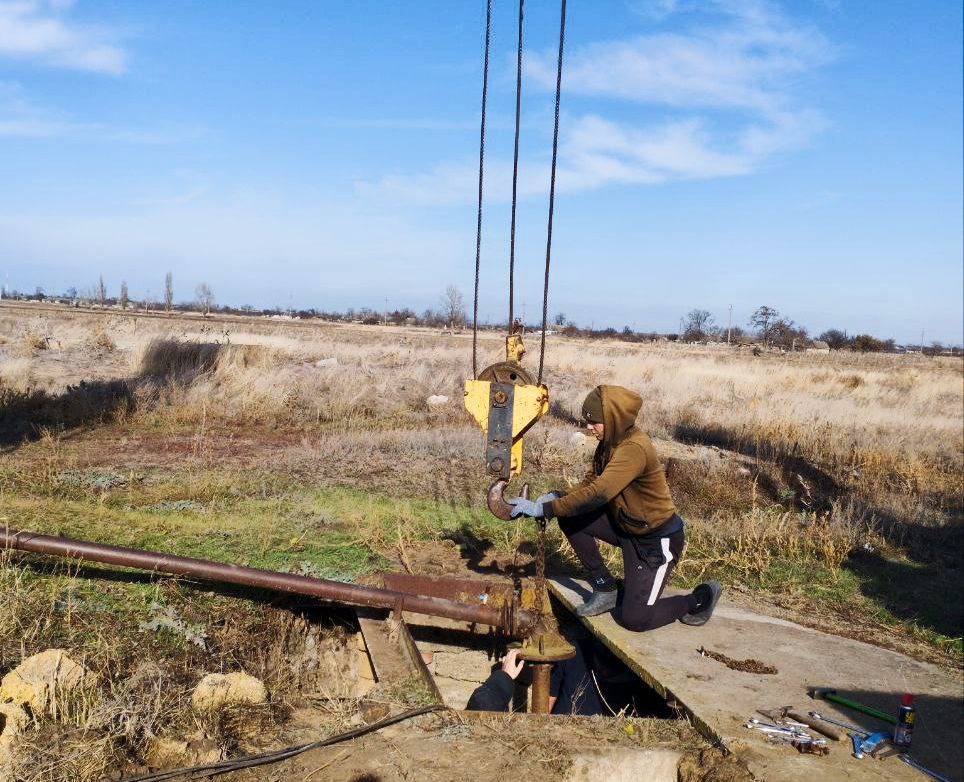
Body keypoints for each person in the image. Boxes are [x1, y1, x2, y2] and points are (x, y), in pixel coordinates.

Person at [509, 385, 721, 632]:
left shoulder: (633, 450)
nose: (588, 427)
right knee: (571, 517)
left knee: (636, 619)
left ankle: (698, 599)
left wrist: (544, 509)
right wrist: (557, 497)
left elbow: (598, 494)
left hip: (654, 541)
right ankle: (605, 587)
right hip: (626, 526)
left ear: (613, 419)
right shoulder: (609, 443)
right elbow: (591, 482)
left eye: (594, 422)